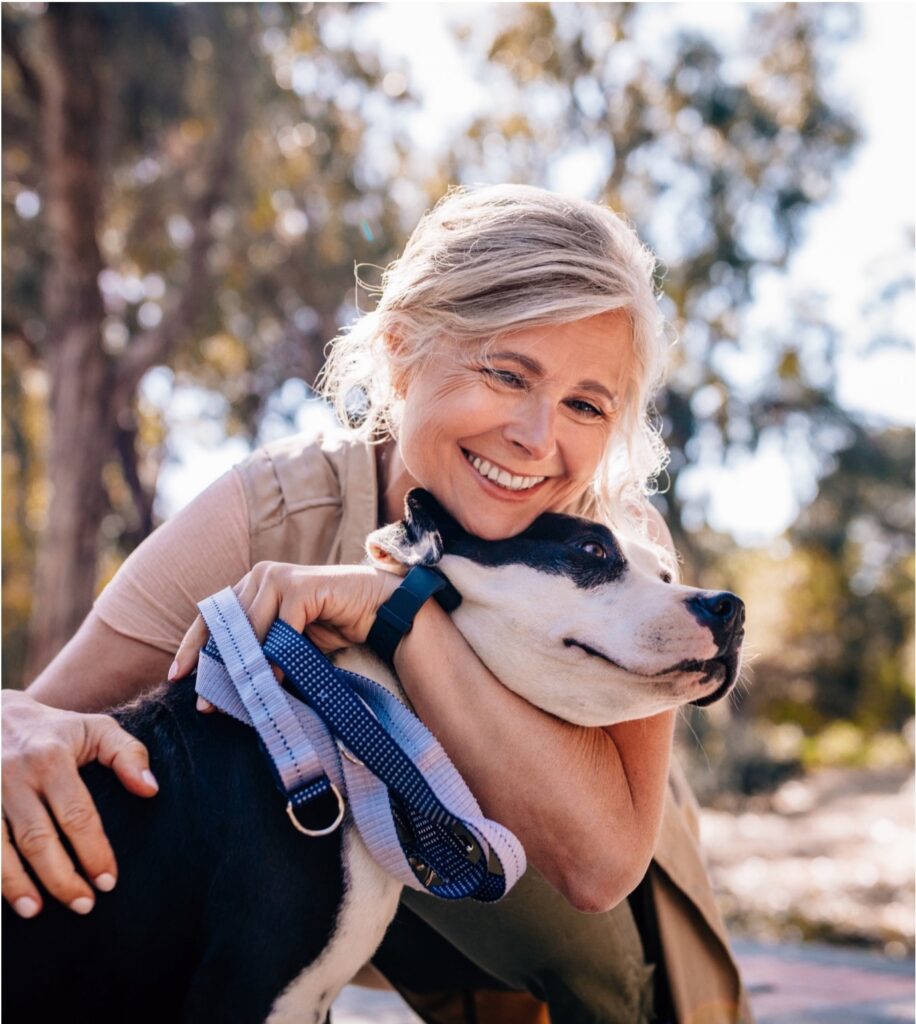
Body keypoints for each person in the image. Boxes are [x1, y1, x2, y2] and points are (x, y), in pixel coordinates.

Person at [2, 184, 752, 1023]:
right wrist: (11, 725)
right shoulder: (279, 508)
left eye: (585, 404)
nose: (539, 439)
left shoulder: (622, 549)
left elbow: (599, 864)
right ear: (401, 351)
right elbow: (43, 721)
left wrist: (395, 614)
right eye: (507, 374)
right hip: (314, 876)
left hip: (563, 921)